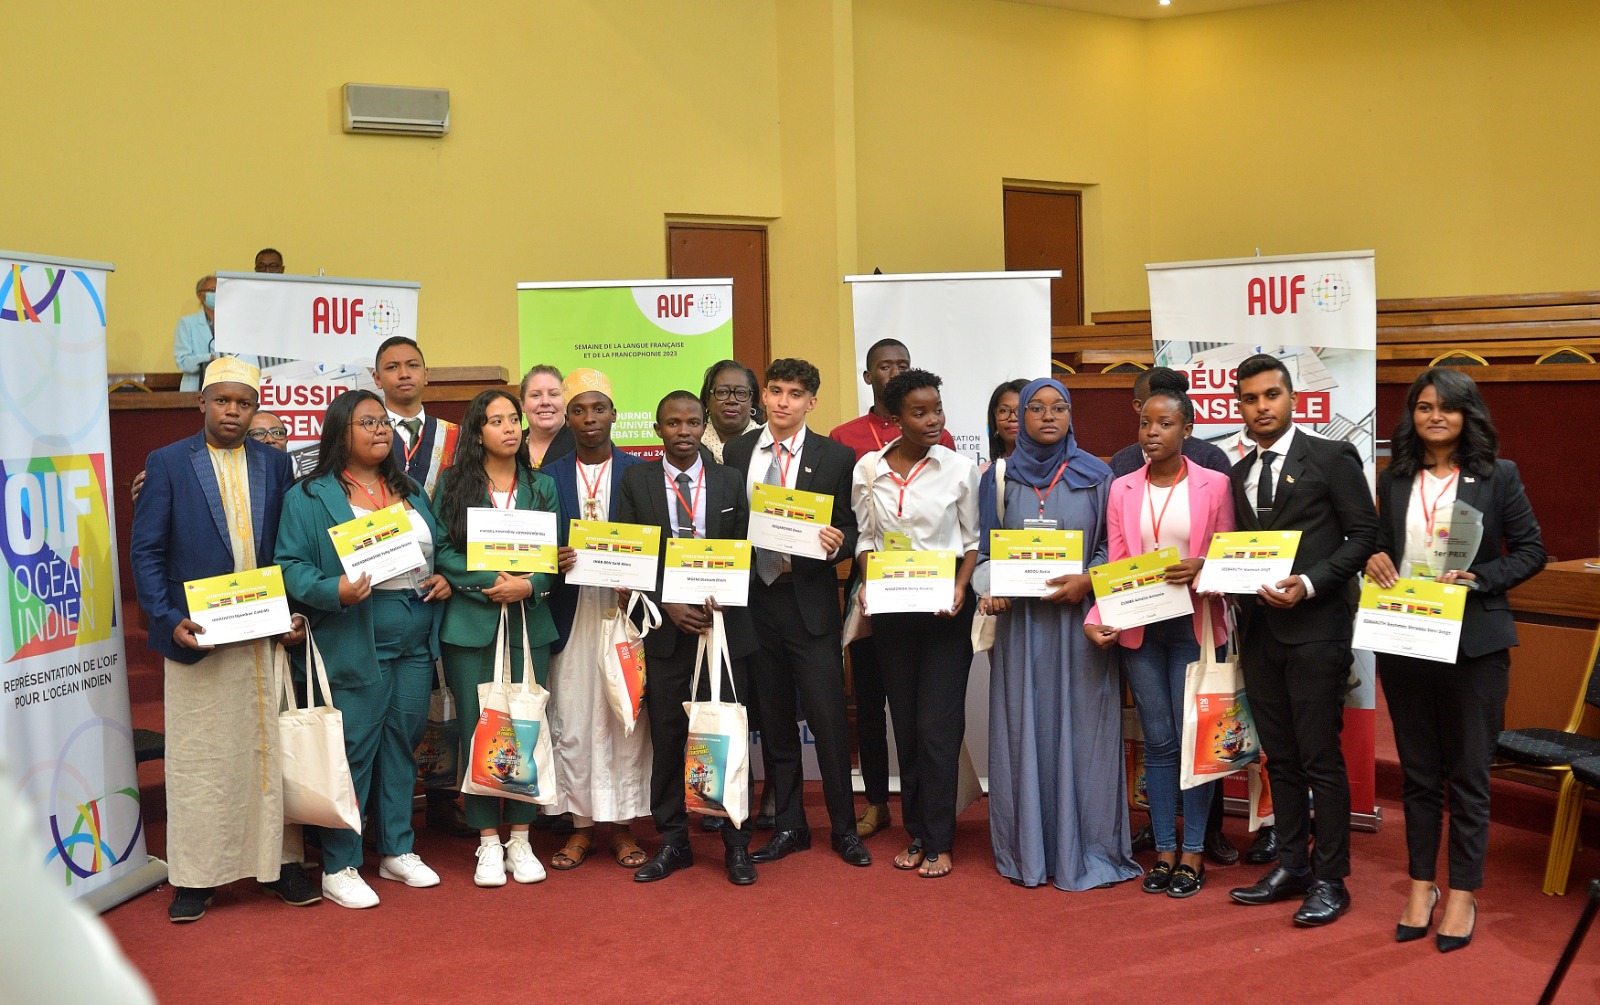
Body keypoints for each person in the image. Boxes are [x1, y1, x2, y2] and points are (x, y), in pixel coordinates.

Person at [129, 357, 318, 922]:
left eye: (243, 403)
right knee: (201, 759)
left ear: (255, 408)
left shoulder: (276, 465)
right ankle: (196, 877)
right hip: (200, 637)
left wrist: (296, 614)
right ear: (202, 403)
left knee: (269, 756)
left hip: (264, 638)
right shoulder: (167, 463)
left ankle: (280, 864)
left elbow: (292, 546)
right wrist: (168, 620)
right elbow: (147, 552)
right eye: (222, 401)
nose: (232, 411)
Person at [1365, 367, 1544, 952]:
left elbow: (1532, 551)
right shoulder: (1394, 478)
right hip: (1407, 637)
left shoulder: (1497, 476)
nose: (1435, 416)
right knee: (1419, 773)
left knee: (1468, 774)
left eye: (1447, 407)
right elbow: (1382, 545)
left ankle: (1463, 891)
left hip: (1474, 646)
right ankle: (1422, 885)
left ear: (1468, 415)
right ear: (1411, 416)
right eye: (1424, 407)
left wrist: (1479, 578)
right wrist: (1374, 557)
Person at [275, 389, 452, 909]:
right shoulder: (309, 496)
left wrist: (444, 577)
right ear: (340, 431)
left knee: (402, 743)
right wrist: (334, 590)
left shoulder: (409, 488)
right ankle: (340, 864)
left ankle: (397, 849)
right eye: (367, 422)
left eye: (383, 423)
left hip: (415, 634)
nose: (380, 430)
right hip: (355, 634)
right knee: (353, 749)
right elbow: (289, 565)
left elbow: (436, 546)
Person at [1224, 353, 1379, 927]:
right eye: (1250, 399)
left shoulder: (1332, 456)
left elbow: (1364, 535)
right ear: (1239, 406)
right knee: (1281, 758)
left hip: (1317, 630)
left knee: (1319, 758)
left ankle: (1331, 879)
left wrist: (1311, 583)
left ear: (1292, 399)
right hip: (1260, 633)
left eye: (1271, 395)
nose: (1261, 407)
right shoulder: (1238, 474)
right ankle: (1293, 865)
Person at [973, 378, 1140, 890]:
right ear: (1020, 417)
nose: (1049, 416)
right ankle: (1029, 851)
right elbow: (984, 555)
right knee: (1025, 732)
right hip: (1022, 632)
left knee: (1085, 735)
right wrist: (992, 589)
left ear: (1071, 416)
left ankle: (1087, 850)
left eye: (1059, 407)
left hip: (1081, 627)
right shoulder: (998, 477)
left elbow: (1114, 547)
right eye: (1037, 408)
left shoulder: (1098, 475)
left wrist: (1088, 580)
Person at [1083, 380, 1235, 897]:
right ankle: (1165, 851)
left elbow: (1229, 558)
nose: (1152, 432)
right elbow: (1118, 562)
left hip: (1196, 627)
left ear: (1187, 429)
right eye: (1145, 423)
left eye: (1165, 424)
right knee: (1160, 741)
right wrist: (1096, 616)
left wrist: (1203, 566)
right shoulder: (1122, 487)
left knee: (1196, 743)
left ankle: (1194, 852)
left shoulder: (1215, 484)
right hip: (1141, 629)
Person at [723, 358, 870, 868]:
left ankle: (844, 830)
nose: (783, 402)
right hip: (755, 601)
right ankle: (790, 826)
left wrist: (836, 543)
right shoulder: (738, 450)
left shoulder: (836, 456)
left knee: (828, 722)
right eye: (776, 391)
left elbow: (852, 528)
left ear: (811, 402)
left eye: (795, 394)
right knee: (776, 722)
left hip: (808, 602)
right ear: (763, 396)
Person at [618, 390, 761, 886]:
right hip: (667, 631)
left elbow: (743, 549)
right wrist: (667, 605)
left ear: (705, 427)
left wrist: (726, 593)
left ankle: (736, 844)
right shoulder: (636, 481)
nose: (684, 431)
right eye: (674, 423)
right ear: (657, 429)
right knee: (668, 739)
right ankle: (673, 842)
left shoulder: (728, 480)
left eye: (693, 422)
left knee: (726, 736)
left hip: (723, 628)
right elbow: (633, 555)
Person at [433, 389, 564, 887]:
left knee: (525, 727)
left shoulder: (541, 485)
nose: (510, 428)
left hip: (529, 622)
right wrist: (491, 580)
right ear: (477, 431)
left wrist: (529, 585)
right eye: (497, 421)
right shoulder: (453, 483)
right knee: (478, 730)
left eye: (514, 419)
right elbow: (442, 550)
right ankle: (488, 841)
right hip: (472, 624)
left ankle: (521, 839)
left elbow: (555, 553)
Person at [852, 369, 979, 879]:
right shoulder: (868, 469)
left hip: (945, 612)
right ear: (895, 418)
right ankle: (918, 833)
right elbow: (866, 539)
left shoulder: (959, 469)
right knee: (904, 726)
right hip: (892, 612)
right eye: (919, 412)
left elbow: (972, 541)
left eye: (937, 410)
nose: (933, 420)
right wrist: (868, 583)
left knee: (936, 729)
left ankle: (940, 840)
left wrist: (961, 587)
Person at [831, 338, 955, 840]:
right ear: (869, 376)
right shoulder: (846, 438)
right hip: (873, 586)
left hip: (928, 588)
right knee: (870, 697)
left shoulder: (941, 441)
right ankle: (877, 801)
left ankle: (925, 810)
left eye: (902, 365)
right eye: (885, 366)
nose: (894, 372)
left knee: (919, 706)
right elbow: (851, 519)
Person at [540, 369, 652, 872]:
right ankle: (581, 826)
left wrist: (638, 574)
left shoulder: (640, 472)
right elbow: (533, 544)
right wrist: (552, 557)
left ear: (614, 414)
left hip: (625, 613)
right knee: (573, 717)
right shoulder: (547, 476)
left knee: (625, 716)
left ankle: (624, 826)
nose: (590, 419)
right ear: (568, 418)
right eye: (579, 410)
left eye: (598, 409)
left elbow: (657, 539)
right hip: (570, 612)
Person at [372, 335, 459, 499]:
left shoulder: (456, 435)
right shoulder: (366, 434)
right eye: (392, 367)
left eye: (412, 365)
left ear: (425, 375)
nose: (404, 374)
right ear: (377, 379)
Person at [173, 274, 260, 392]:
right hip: (195, 387)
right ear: (200, 295)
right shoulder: (187, 323)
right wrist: (211, 357)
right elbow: (182, 362)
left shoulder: (234, 323)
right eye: (212, 290)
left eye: (220, 289)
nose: (217, 293)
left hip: (228, 385)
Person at [699, 359, 762, 462]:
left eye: (741, 393)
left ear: (752, 401)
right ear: (707, 400)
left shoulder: (767, 443)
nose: (732, 400)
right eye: (722, 392)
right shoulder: (693, 445)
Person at [520, 364, 575, 469]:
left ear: (566, 401)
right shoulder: (512, 445)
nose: (545, 402)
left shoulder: (581, 445)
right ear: (522, 404)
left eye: (553, 394)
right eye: (536, 395)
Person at [984, 378, 1026, 470]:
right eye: (1004, 410)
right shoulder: (986, 472)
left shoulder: (1054, 470)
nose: (1013, 418)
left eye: (1021, 410)